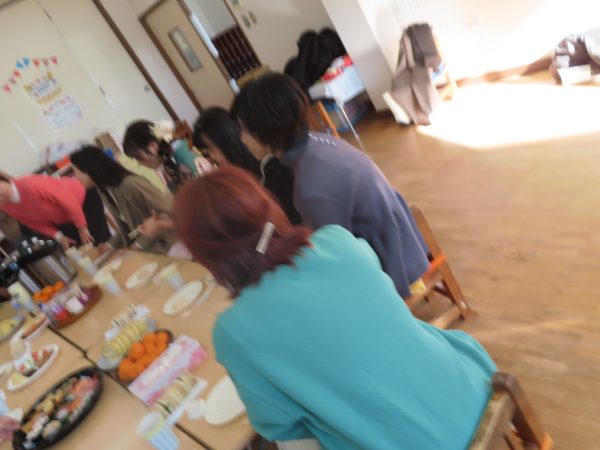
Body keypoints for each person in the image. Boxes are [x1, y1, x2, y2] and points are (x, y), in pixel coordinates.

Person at [173, 166, 496, 449]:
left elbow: (281, 426)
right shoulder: (337, 241)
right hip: (471, 387)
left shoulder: (233, 332)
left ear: (205, 257)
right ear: (268, 206)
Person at [232, 73, 429, 298]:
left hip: (394, 263)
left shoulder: (311, 185)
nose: (242, 139)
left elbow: (338, 255)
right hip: (404, 240)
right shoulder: (318, 141)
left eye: (244, 129)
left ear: (266, 127)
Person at [194, 107, 302, 225]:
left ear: (227, 143)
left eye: (210, 150)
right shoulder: (244, 170)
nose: (211, 158)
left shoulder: (269, 167)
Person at [70, 146, 176, 254]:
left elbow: (167, 214)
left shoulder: (130, 184)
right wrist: (109, 245)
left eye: (75, 171)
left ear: (89, 169)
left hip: (170, 247)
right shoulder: (104, 190)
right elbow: (127, 226)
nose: (75, 178)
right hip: (151, 252)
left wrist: (137, 245)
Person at [0, 173, 110, 250]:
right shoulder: (6, 206)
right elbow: (35, 223)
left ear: (3, 180)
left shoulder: (29, 184)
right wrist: (59, 237)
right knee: (81, 250)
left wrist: (81, 226)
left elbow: (68, 199)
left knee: (100, 242)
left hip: (83, 202)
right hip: (64, 220)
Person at [123, 120, 212, 193]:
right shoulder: (166, 162)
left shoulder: (182, 154)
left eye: (138, 157)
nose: (139, 163)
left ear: (153, 146)